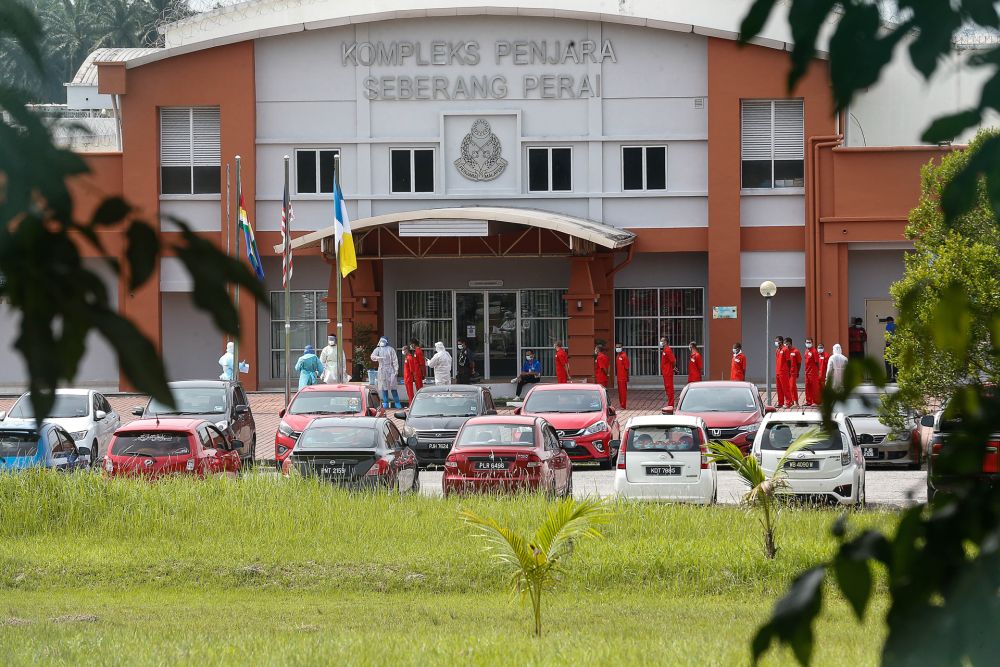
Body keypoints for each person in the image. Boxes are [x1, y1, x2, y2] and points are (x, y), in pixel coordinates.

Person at [370, 336, 401, 409]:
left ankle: (397, 403)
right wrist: (377, 358)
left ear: (386, 342)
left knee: (393, 387)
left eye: (383, 341)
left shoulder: (391, 349)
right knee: (384, 387)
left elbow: (395, 360)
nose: (381, 342)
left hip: (390, 369)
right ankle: (385, 403)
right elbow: (372, 356)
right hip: (382, 369)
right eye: (381, 341)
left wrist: (396, 369)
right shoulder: (378, 349)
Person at [803, 337, 821, 406]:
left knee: (814, 388)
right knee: (807, 388)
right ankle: (808, 401)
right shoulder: (806, 351)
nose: (808, 344)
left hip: (813, 373)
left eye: (809, 342)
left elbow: (817, 363)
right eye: (807, 342)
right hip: (807, 372)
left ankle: (815, 402)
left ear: (812, 343)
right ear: (805, 343)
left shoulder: (814, 351)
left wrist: (817, 371)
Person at [659, 337, 676, 408]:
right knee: (667, 388)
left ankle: (671, 404)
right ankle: (670, 403)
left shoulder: (668, 350)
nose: (660, 342)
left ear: (665, 342)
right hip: (665, 372)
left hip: (668, 372)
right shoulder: (664, 350)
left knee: (669, 388)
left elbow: (673, 360)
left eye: (661, 341)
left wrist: (673, 368)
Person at [784, 337, 801, 407]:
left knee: (792, 386)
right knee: (789, 387)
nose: (785, 345)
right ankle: (791, 402)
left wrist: (798, 372)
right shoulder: (785, 351)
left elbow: (799, 363)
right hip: (786, 372)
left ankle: (796, 402)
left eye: (786, 343)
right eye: (785, 344)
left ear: (790, 343)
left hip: (793, 372)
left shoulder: (795, 351)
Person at [774, 335, 788, 407]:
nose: (776, 342)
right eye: (775, 341)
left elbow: (788, 361)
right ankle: (780, 402)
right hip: (778, 372)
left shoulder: (785, 349)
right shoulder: (777, 350)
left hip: (783, 372)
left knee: (785, 388)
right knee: (779, 388)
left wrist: (787, 371)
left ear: (781, 341)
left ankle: (789, 402)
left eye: (777, 341)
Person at [614, 343, 630, 409]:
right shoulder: (617, 356)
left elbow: (627, 367)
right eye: (616, 347)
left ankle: (623, 405)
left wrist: (627, 377)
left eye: (619, 347)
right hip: (619, 377)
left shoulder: (624, 356)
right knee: (620, 392)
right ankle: (621, 404)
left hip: (623, 377)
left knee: (623, 392)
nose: (617, 348)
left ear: (622, 347)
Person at [884, 316, 897, 382]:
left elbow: (888, 336)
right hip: (896, 345)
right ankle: (895, 377)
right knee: (895, 361)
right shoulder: (896, 326)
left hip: (889, 344)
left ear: (888, 321)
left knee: (887, 361)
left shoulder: (888, 326)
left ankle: (888, 377)